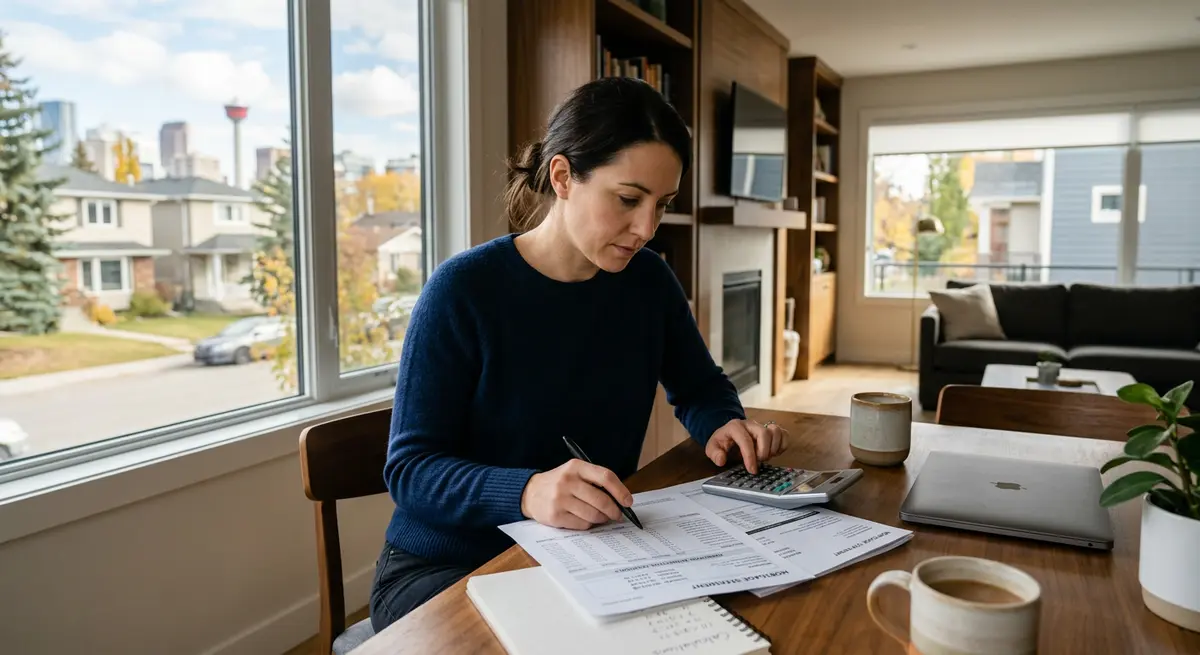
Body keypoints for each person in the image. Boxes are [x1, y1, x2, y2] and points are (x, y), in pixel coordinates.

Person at [369, 77, 787, 632]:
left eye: (661, 205)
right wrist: (527, 491)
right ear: (563, 177)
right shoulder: (463, 291)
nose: (646, 228)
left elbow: (699, 385)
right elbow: (411, 470)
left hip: (589, 550)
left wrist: (722, 423)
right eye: (628, 199)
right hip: (446, 563)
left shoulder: (648, 283)